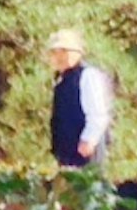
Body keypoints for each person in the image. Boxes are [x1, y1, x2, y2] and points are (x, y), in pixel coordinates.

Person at [46, 30, 115, 174]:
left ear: (77, 52)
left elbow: (98, 113)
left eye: (64, 51)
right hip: (68, 153)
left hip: (85, 152)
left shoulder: (88, 75)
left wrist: (88, 140)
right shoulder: (63, 79)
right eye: (55, 52)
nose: (59, 57)